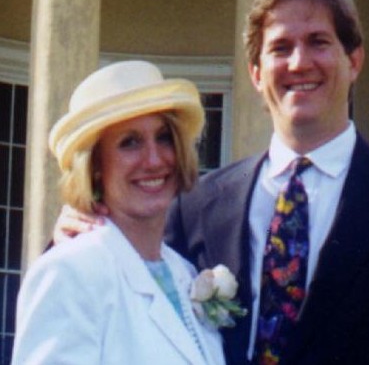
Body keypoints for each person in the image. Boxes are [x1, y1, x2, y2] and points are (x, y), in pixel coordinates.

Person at [54, 0, 369, 365]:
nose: (299, 63)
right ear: (256, 73)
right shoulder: (197, 206)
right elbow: (118, 291)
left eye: (318, 42)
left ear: (354, 60)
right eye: (281, 48)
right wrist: (72, 235)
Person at [12, 61, 226, 365]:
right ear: (95, 166)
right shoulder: (70, 274)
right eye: (130, 143)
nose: (154, 160)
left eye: (164, 137)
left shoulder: (186, 274)